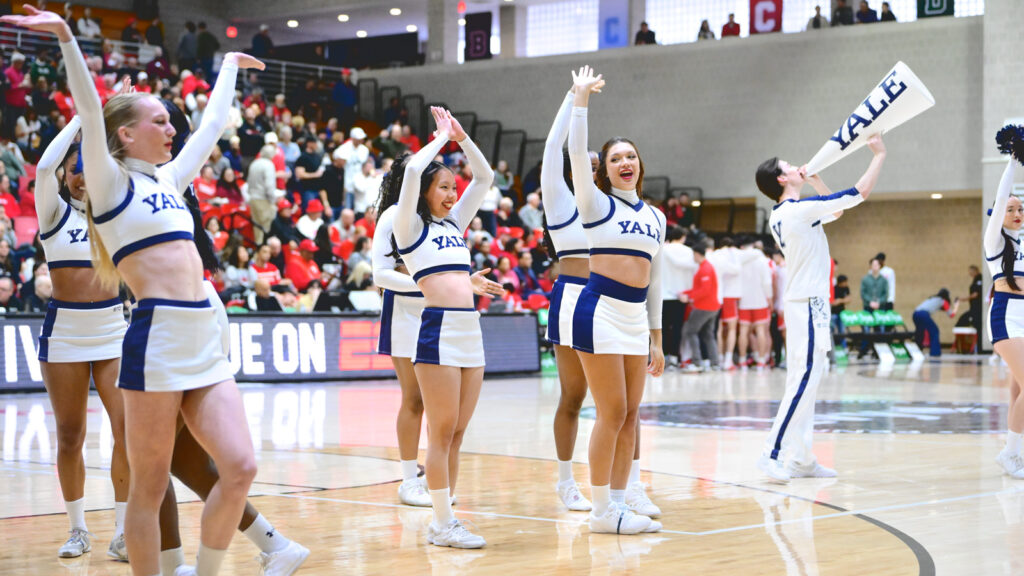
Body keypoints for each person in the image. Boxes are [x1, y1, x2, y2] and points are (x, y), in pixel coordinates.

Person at [1, 8, 265, 575]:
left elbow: (212, 127)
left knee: (241, 467)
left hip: (202, 332)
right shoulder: (108, 181)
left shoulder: (169, 178)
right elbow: (88, 110)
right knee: (148, 484)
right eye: (160, 121)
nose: (172, 130)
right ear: (125, 133)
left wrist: (227, 68)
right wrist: (67, 37)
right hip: (156, 333)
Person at [754, 132, 887, 482]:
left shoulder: (788, 213)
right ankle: (771, 453)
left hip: (805, 302)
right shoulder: (799, 211)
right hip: (808, 302)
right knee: (804, 380)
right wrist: (878, 155)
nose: (794, 165)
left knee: (808, 380)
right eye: (788, 165)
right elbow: (858, 194)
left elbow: (835, 211)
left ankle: (801, 459)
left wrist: (815, 180)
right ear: (781, 179)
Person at [391, 106, 494, 548]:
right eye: (444, 187)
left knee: (457, 433)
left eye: (454, 187)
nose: (453, 194)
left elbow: (485, 178)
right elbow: (413, 170)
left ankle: (446, 515)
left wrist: (462, 139)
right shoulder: (408, 226)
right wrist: (438, 140)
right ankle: (441, 523)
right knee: (441, 429)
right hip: (437, 330)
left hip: (470, 329)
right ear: (425, 192)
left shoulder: (454, 224)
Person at [568, 66, 665, 535]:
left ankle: (621, 504)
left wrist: (656, 338)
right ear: (603, 171)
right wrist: (581, 99)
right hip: (599, 311)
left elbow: (655, 281)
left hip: (634, 319)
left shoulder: (656, 217)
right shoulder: (595, 203)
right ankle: (601, 510)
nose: (625, 162)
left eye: (631, 156)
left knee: (630, 415)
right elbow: (575, 151)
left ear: (639, 164)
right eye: (615, 159)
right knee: (610, 412)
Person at [33, 115, 130, 560]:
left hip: (113, 330)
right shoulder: (53, 212)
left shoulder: (117, 213)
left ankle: (123, 533)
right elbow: (42, 168)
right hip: (65, 335)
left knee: (126, 431)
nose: (82, 178)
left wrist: (109, 121)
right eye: (75, 170)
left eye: (90, 169)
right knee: (70, 435)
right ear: (66, 176)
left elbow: (126, 163)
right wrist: (82, 118)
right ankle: (77, 530)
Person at [985, 139, 1024, 478]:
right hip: (1005, 318)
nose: (1016, 213)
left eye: (1020, 209)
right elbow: (1000, 199)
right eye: (1010, 209)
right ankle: (1010, 453)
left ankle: (1016, 451)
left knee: (1018, 389)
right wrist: (1013, 161)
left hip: (1023, 319)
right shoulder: (994, 241)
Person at [680, 242, 721, 372]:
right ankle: (715, 363)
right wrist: (687, 292)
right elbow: (701, 288)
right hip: (712, 306)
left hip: (704, 307)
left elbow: (705, 290)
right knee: (708, 334)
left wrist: (689, 297)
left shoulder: (705, 269)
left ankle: (697, 362)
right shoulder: (705, 267)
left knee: (690, 331)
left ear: (697, 254)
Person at [660, 226, 696, 368]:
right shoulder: (689, 252)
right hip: (681, 295)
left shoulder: (662, 250)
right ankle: (675, 358)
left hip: (663, 294)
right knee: (677, 328)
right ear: (683, 237)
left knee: (662, 328)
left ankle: (662, 357)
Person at [913, 289, 956, 357]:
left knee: (920, 333)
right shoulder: (943, 301)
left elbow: (941, 309)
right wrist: (956, 306)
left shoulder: (932, 298)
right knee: (935, 331)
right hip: (923, 314)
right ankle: (935, 352)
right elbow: (951, 315)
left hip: (915, 314)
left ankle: (917, 351)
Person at [956, 265, 983, 333]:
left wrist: (963, 299)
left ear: (976, 271)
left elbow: (976, 294)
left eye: (971, 272)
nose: (970, 273)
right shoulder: (975, 279)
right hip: (974, 308)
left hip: (977, 309)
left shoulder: (979, 278)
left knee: (963, 322)